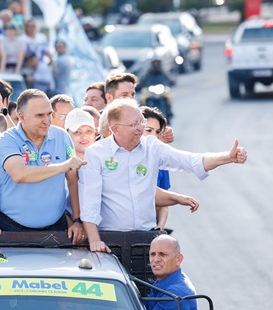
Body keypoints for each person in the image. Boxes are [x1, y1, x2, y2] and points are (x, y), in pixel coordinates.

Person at [79, 99, 247, 252]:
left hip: (146, 237)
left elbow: (191, 161)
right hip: (109, 239)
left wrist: (228, 157)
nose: (140, 128)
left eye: (141, 122)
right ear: (115, 129)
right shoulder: (96, 153)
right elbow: (89, 202)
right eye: (133, 124)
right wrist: (95, 241)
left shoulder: (152, 147)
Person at [0, 89, 85, 242]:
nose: (47, 120)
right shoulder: (7, 140)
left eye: (49, 114)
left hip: (57, 228)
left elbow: (72, 180)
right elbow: (20, 174)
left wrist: (76, 220)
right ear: (22, 117)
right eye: (40, 115)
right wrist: (63, 166)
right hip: (12, 229)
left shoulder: (62, 137)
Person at [146, 235, 198, 310]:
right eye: (153, 254)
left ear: (178, 259)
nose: (156, 259)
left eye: (163, 254)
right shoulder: (166, 280)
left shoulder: (175, 293)